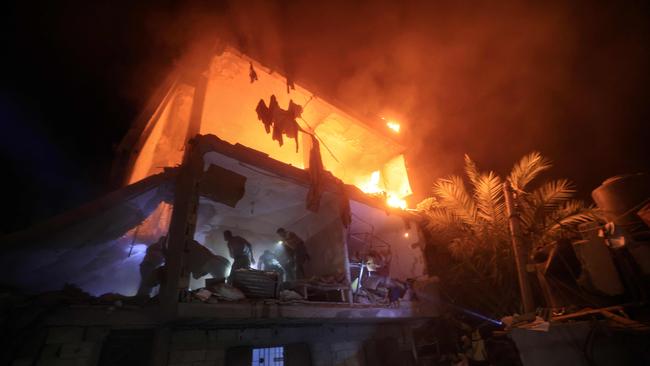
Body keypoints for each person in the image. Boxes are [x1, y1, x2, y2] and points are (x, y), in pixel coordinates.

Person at [137, 236, 230, 298]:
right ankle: (143, 297)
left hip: (212, 264)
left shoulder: (187, 250)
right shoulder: (189, 250)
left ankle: (143, 297)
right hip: (214, 264)